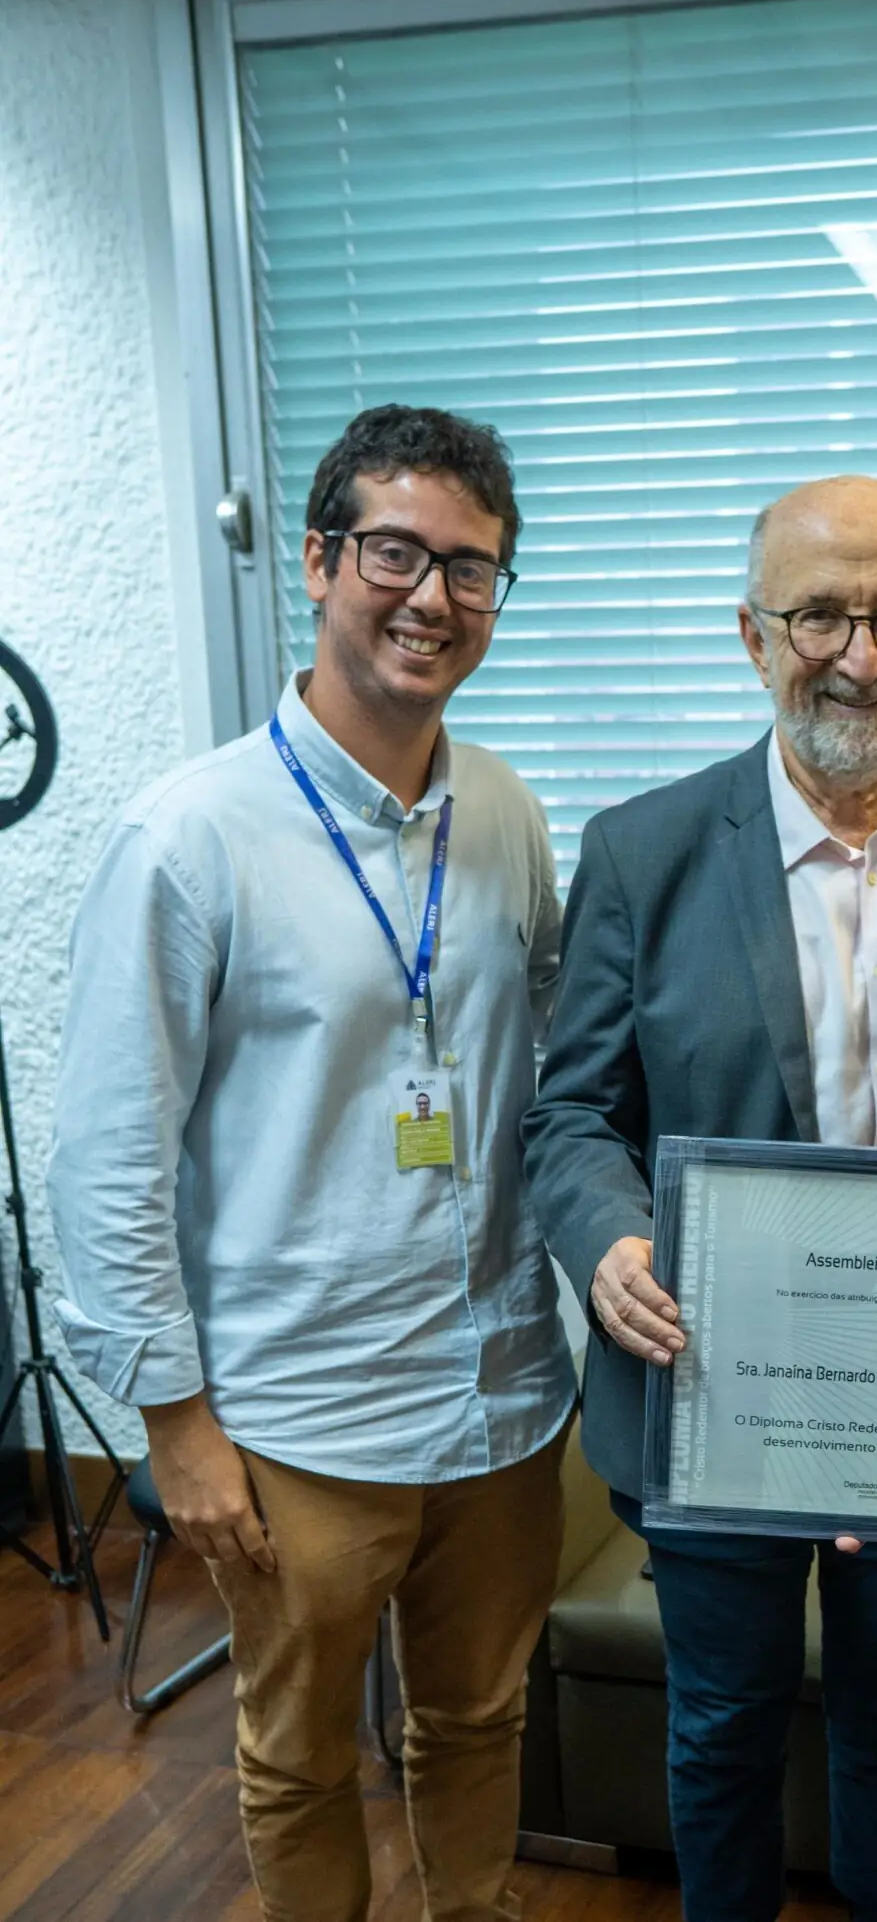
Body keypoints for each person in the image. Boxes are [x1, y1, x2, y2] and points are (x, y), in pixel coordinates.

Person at [48, 405, 576, 1922]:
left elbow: (536, 1068)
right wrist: (175, 1423)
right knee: (297, 1758)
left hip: (501, 1398)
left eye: (472, 570)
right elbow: (109, 1153)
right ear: (319, 558)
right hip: (300, 1416)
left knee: (480, 1723)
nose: (431, 598)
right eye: (395, 553)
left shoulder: (507, 814)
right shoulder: (190, 835)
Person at [521, 474, 877, 1922]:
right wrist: (607, 1237)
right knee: (722, 1724)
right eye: (819, 611)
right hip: (715, 1387)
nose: (859, 652)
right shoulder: (645, 850)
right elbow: (573, 1111)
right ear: (751, 634)